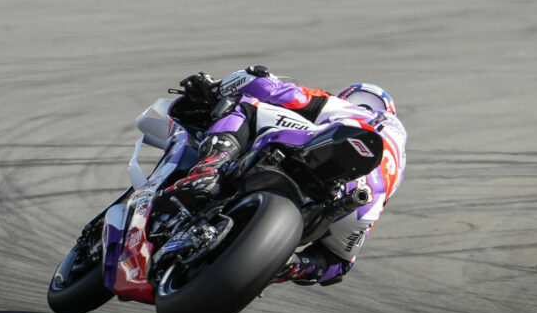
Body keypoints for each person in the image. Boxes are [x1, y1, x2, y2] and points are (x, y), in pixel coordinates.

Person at [162, 65, 407, 287]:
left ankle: (209, 171)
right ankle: (290, 265)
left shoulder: (353, 111)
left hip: (325, 153)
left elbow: (275, 91)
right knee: (337, 262)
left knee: (245, 105)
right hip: (361, 205)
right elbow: (339, 267)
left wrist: (218, 87)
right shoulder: (397, 163)